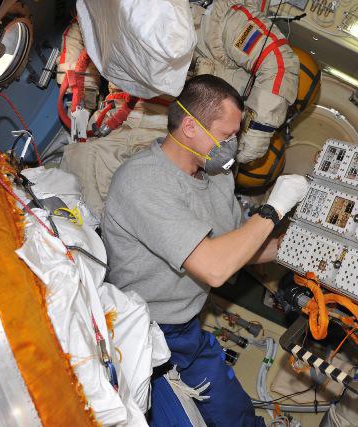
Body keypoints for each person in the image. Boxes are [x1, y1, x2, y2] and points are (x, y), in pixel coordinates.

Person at [101, 74, 309, 426]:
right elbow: (214, 267)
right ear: (190, 128)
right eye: (226, 136)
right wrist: (274, 209)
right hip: (142, 335)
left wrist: (296, 248)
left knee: (237, 416)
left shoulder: (218, 177)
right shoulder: (144, 181)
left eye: (235, 136)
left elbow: (237, 247)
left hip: (187, 330)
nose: (232, 145)